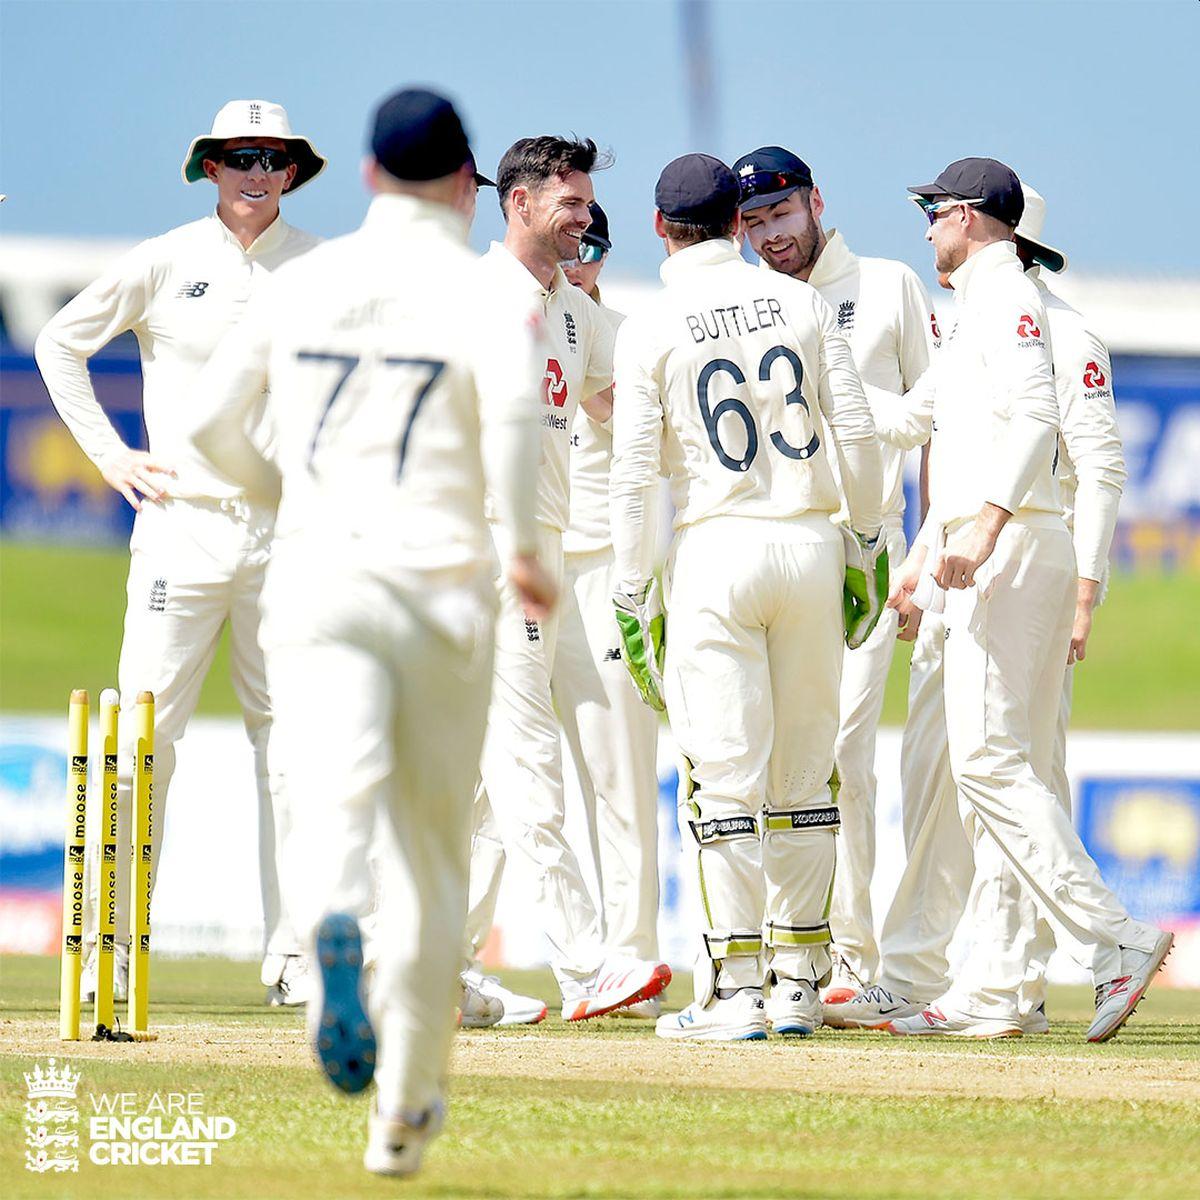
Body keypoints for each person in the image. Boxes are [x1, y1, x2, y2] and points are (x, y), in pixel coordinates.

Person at [192, 87, 553, 1177]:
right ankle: (402, 1110)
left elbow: (209, 422)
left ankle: (327, 937)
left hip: (319, 576)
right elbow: (515, 422)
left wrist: (286, 489)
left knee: (328, 799)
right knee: (434, 853)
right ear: (462, 186)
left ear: (359, 178)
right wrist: (528, 547)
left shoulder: (306, 280)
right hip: (440, 583)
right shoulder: (483, 290)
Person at [857, 157, 1170, 1041]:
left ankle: (1113, 939)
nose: (925, 231)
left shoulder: (1041, 321)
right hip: (982, 547)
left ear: (979, 221)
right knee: (994, 777)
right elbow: (923, 427)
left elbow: (1090, 464)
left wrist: (1082, 586)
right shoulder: (973, 318)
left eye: (933, 212)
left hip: (1020, 549)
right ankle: (998, 991)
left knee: (995, 765)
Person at [34, 99, 325, 1007]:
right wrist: (113, 457)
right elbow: (58, 342)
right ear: (209, 166)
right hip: (181, 523)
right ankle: (115, 941)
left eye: (271, 157)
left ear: (291, 170)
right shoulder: (167, 258)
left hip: (287, 536)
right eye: (238, 156)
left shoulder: (320, 269)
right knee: (144, 739)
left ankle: (296, 955)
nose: (255, 171)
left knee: (295, 747)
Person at [610, 154, 885, 1042]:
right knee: (806, 776)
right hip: (808, 540)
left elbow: (629, 480)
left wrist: (628, 590)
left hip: (715, 549)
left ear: (659, 228)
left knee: (724, 783)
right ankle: (801, 983)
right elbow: (857, 431)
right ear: (737, 219)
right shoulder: (801, 300)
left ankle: (735, 992)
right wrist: (870, 538)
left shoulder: (649, 325)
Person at [462, 137, 672, 1024]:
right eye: (570, 204)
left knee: (480, 787)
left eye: (587, 205)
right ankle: (588, 964)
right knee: (526, 762)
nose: (584, 220)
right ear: (517, 202)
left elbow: (618, 403)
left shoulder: (572, 312)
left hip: (545, 548)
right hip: (481, 549)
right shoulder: (472, 298)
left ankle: (434, 965)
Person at [735, 146, 938, 1001]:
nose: (771, 236)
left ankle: (850, 954)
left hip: (869, 546)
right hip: (777, 544)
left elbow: (941, 421)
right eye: (752, 223)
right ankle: (785, 954)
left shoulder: (889, 284)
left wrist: (924, 554)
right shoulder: (745, 302)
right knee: (775, 756)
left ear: (816, 201)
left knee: (847, 752)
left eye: (782, 214)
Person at [549, 201, 663, 1018]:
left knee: (618, 771)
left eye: (593, 249)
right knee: (501, 776)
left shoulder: (628, 333)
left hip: (604, 571)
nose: (578, 259)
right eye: (569, 245)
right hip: (526, 562)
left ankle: (632, 961)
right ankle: (456, 958)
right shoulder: (519, 319)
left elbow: (643, 438)